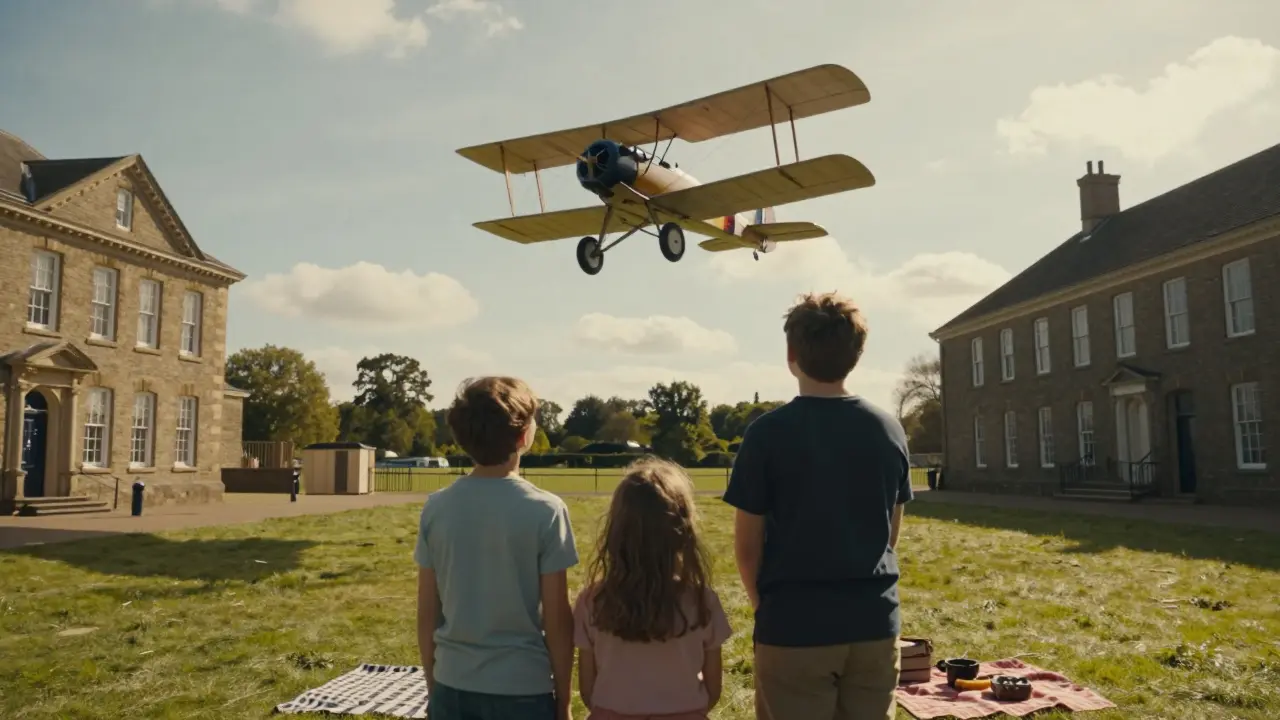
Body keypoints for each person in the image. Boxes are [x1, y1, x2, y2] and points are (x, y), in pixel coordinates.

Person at [724, 291, 913, 720]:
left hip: (793, 627)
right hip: (874, 625)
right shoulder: (888, 430)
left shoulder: (766, 435)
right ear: (857, 355)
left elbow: (747, 547)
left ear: (791, 352)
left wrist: (764, 607)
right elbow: (890, 533)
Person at [415, 376, 578, 720]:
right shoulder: (546, 510)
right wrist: (563, 703)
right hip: (523, 689)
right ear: (523, 436)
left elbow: (427, 613)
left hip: (452, 685)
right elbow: (558, 620)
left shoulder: (436, 508)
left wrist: (434, 686)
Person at [573, 457, 733, 720]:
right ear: (683, 531)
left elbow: (588, 691)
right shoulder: (702, 602)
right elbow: (713, 691)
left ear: (617, 532)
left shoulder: (593, 601)